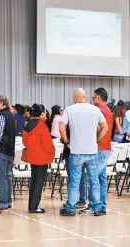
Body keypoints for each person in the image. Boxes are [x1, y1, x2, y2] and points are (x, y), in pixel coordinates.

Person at [59, 88, 109, 217]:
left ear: (75, 98)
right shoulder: (95, 109)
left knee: (75, 182)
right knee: (94, 181)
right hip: (92, 151)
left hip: (76, 151)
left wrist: (66, 141)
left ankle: (70, 208)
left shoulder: (70, 109)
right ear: (85, 96)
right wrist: (97, 140)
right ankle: (97, 208)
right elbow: (105, 128)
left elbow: (61, 127)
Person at [79, 88, 113, 216]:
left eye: (93, 98)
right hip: (106, 148)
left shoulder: (99, 111)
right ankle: (102, 205)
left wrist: (96, 141)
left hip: (100, 148)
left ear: (98, 98)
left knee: (92, 178)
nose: (92, 100)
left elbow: (99, 129)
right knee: (101, 179)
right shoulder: (109, 111)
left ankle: (94, 205)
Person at [22, 104, 55, 213]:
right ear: (41, 114)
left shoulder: (28, 125)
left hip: (32, 156)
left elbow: (24, 142)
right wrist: (52, 150)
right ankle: (34, 206)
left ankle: (32, 205)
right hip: (42, 157)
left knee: (34, 181)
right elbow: (47, 144)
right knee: (39, 182)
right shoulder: (41, 126)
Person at [0, 95, 16, 210]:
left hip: (1, 151)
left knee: (1, 177)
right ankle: (8, 200)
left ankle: (2, 202)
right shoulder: (11, 115)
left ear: (2, 104)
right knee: (8, 176)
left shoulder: (1, 116)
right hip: (10, 150)